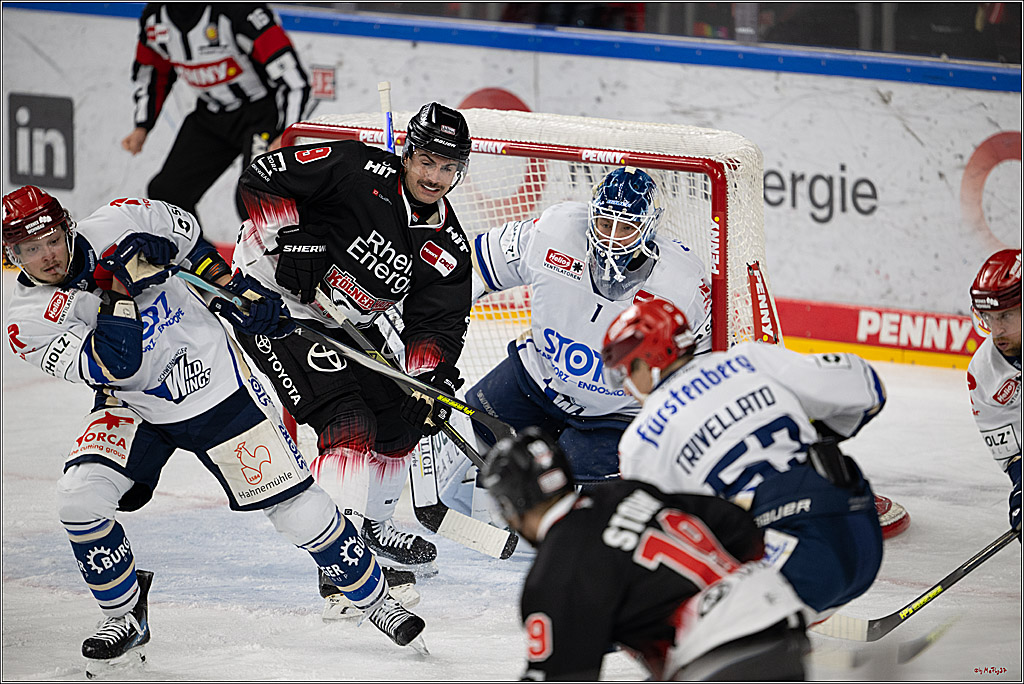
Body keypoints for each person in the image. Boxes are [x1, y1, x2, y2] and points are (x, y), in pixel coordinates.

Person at [2, 187, 426, 673]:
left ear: (67, 227)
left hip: (216, 387)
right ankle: (124, 614)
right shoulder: (26, 322)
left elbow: (189, 242)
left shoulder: (123, 216)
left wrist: (233, 288)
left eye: (50, 239)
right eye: (29, 250)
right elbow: (119, 365)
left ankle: (376, 601)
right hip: (134, 404)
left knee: (297, 512)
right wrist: (121, 286)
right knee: (79, 499)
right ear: (11, 255)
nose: (47, 256)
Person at [230, 102, 474, 578]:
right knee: (347, 418)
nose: (435, 177)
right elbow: (260, 177)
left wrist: (429, 380)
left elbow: (437, 324)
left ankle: (372, 530)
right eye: (427, 161)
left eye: (448, 167)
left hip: (342, 321)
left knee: (403, 416)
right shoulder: (354, 168)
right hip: (268, 300)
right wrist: (291, 238)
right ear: (407, 154)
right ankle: (338, 565)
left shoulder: (448, 245)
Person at [602, 299, 886, 622]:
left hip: (789, 571)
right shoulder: (749, 358)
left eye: (625, 371)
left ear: (648, 361)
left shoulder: (641, 439)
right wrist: (812, 432)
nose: (625, 388)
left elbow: (661, 540)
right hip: (861, 532)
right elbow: (869, 389)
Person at [482, 427, 809, 681]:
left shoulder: (553, 574)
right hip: (779, 609)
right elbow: (737, 526)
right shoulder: (626, 491)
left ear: (511, 506)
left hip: (723, 653)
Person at [467, 167, 713, 489]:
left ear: (649, 227)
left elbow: (704, 362)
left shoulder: (683, 284)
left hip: (616, 414)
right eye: (605, 222)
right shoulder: (556, 230)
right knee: (470, 430)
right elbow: (478, 267)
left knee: (581, 499)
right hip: (538, 377)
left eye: (626, 226)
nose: (611, 236)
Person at [121, 4, 313, 220]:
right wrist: (142, 125)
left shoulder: (240, 11)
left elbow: (295, 80)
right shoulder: (155, 19)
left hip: (263, 116)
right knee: (167, 193)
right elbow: (152, 74)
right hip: (211, 115)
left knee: (254, 198)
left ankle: (278, 253)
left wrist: (286, 132)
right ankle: (198, 254)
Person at [966, 248, 1021, 539]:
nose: (996, 330)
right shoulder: (984, 374)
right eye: (989, 317)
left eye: (1007, 316)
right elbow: (1013, 453)